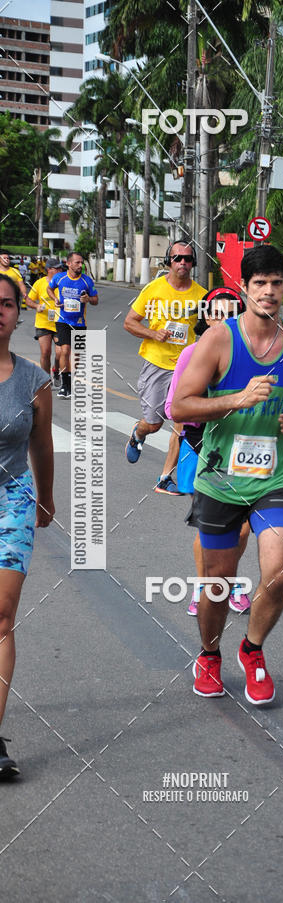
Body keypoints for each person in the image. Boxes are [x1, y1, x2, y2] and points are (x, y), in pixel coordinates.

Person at [172, 245, 283, 705]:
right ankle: (209, 654)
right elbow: (179, 405)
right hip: (220, 480)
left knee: (279, 573)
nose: (269, 292)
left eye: (276, 283)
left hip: (275, 478)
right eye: (260, 283)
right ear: (245, 288)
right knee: (218, 582)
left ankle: (252, 650)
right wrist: (235, 399)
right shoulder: (218, 340)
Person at [165, 287, 251, 616]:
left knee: (241, 527)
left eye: (230, 314)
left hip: (244, 449)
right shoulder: (192, 354)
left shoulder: (250, 354)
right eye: (215, 313)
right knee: (209, 525)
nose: (221, 319)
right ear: (205, 316)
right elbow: (174, 408)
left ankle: (225, 581)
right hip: (201, 444)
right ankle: (205, 586)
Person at [0, 274, 54, 778]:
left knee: (1, 613)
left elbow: (41, 445)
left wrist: (48, 497)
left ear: (20, 314)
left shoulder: (34, 380)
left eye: (7, 304)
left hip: (11, 499)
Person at [123, 240, 207, 495]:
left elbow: (212, 327)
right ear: (169, 261)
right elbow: (129, 322)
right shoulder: (154, 289)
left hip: (188, 367)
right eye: (178, 258)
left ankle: (165, 477)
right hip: (157, 363)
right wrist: (152, 333)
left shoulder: (202, 295)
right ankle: (138, 434)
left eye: (188, 259)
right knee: (154, 423)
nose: (183, 262)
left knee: (181, 422)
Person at [47, 251, 98, 399]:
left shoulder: (87, 281)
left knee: (76, 357)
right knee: (65, 350)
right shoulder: (59, 278)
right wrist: (55, 299)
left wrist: (88, 299)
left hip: (80, 322)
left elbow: (96, 300)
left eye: (81, 262)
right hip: (63, 320)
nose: (80, 265)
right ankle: (65, 385)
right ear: (69, 264)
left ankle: (69, 381)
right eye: (77, 262)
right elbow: (49, 289)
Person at [26, 256, 61, 383]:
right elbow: (28, 300)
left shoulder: (63, 282)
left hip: (60, 322)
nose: (60, 270)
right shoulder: (39, 283)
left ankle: (56, 370)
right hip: (43, 323)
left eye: (60, 268)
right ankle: (46, 380)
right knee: (45, 352)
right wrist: (36, 306)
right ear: (49, 269)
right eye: (57, 268)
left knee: (60, 352)